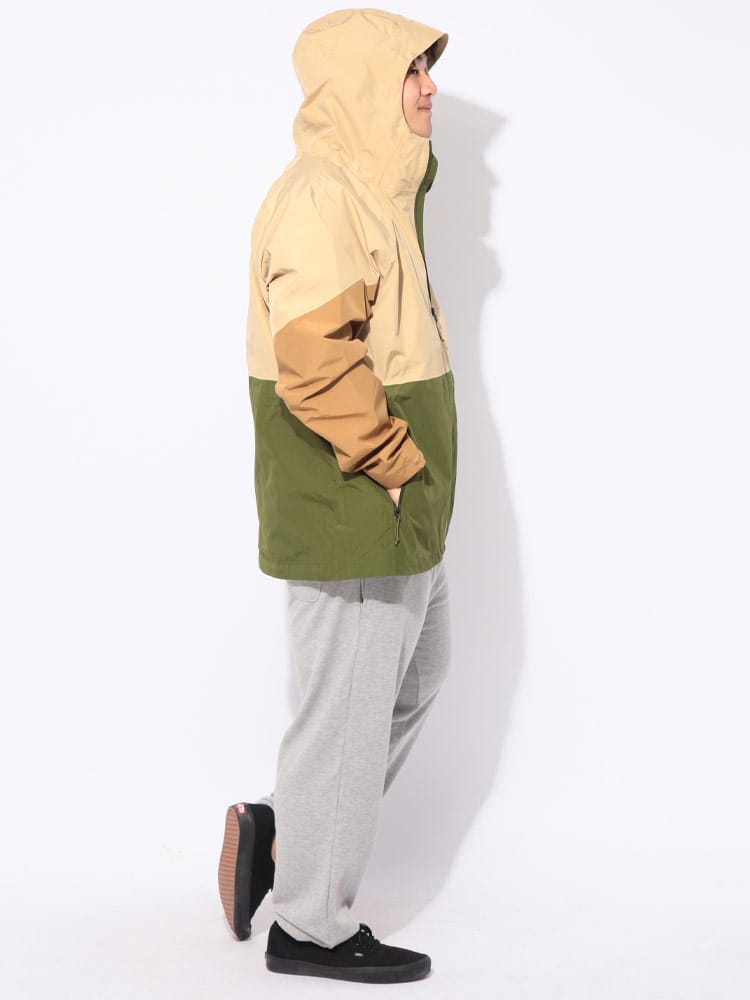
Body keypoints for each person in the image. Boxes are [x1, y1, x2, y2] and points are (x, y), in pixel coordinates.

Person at [218, 7, 457, 984]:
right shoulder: (324, 197)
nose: (430, 89)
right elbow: (313, 365)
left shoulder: (376, 194)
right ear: (363, 83)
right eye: (412, 72)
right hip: (357, 498)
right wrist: (396, 464)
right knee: (346, 715)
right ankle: (308, 928)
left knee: (418, 675)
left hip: (391, 503)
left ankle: (289, 833)